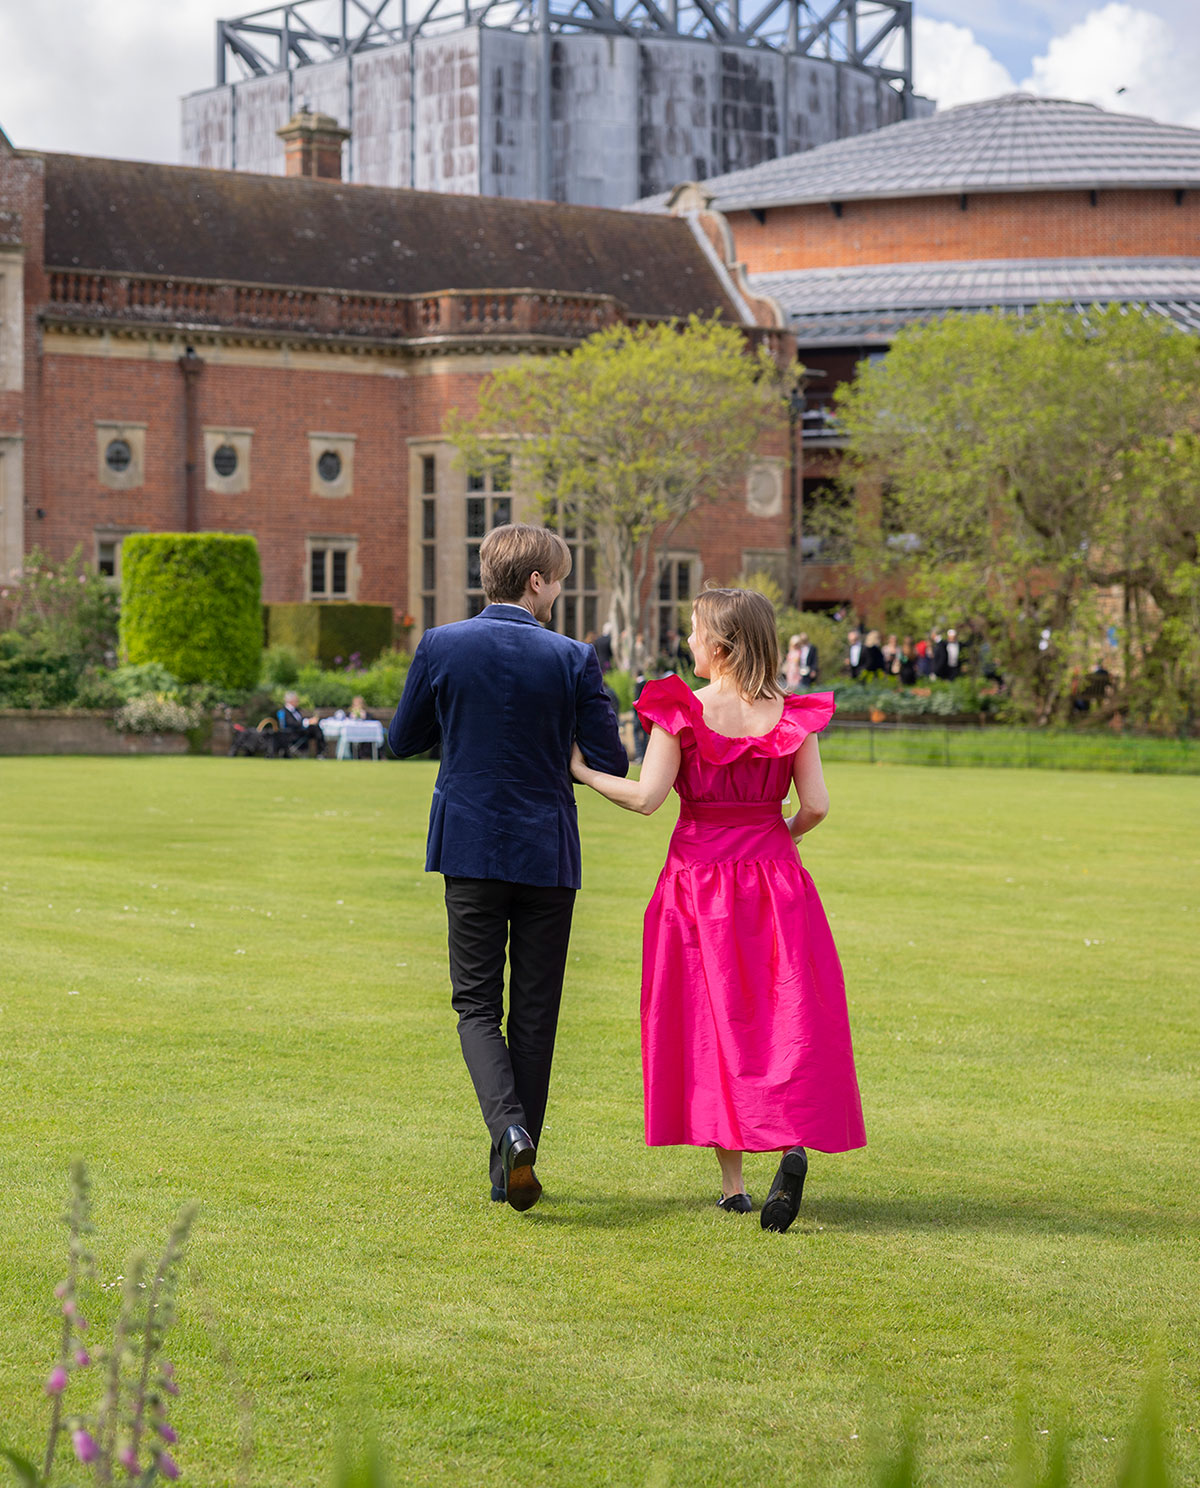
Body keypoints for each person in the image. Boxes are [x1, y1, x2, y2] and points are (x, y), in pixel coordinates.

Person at [570, 587, 865, 1234]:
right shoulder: (790, 716)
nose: (689, 640)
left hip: (698, 884)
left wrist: (587, 775)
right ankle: (791, 1143)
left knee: (714, 1024)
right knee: (784, 1014)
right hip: (776, 878)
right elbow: (814, 805)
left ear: (721, 646)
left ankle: (733, 1188)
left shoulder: (683, 711)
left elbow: (648, 798)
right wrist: (774, 838)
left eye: (696, 630)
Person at [388, 524, 627, 1212]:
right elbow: (609, 762)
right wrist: (567, 755)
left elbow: (404, 738)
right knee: (535, 1014)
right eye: (560, 579)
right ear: (535, 582)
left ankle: (508, 1133)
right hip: (547, 851)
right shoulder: (574, 657)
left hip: (468, 846)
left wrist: (460, 722)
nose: (562, 589)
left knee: (474, 1004)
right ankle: (515, 1157)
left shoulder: (440, 646)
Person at [277, 691, 325, 757]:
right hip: (292, 733)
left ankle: (321, 752)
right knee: (315, 729)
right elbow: (291, 723)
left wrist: (309, 721)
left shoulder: (296, 710)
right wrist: (308, 722)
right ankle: (321, 752)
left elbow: (300, 720)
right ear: (291, 701)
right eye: (296, 700)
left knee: (316, 728)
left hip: (301, 731)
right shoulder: (284, 711)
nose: (298, 702)